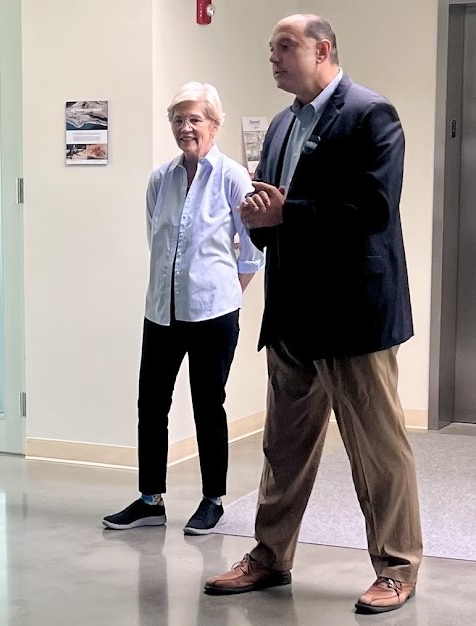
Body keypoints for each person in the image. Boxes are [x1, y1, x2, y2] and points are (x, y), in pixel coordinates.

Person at [203, 15, 422, 615]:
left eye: (285, 47)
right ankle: (270, 556)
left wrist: (286, 216)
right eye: (270, 47)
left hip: (354, 316)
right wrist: (259, 218)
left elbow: (373, 208)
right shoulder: (280, 125)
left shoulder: (371, 115)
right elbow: (279, 210)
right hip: (293, 314)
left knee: (377, 450)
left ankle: (398, 567)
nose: (272, 57)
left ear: (322, 49)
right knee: (284, 447)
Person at [102, 83, 264, 534]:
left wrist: (226, 294)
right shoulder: (161, 178)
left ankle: (213, 498)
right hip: (161, 312)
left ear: (214, 124)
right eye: (178, 119)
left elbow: (253, 252)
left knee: (208, 405)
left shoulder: (232, 178)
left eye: (194, 119)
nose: (185, 127)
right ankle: (150, 498)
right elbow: (156, 240)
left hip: (214, 313)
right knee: (151, 404)